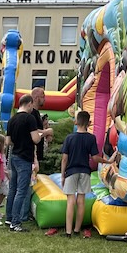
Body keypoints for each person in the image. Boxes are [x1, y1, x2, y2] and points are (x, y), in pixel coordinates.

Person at [59, 110, 108, 238]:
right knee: (81, 200)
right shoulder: (91, 138)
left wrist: (62, 175)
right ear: (89, 123)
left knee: (70, 201)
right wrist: (108, 161)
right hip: (85, 172)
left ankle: (68, 232)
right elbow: (95, 158)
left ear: (76, 122)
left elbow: (64, 159)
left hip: (71, 171)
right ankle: (77, 229)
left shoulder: (69, 138)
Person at [5, 94, 42, 232]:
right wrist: (42, 134)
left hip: (14, 156)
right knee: (22, 190)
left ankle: (9, 218)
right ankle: (15, 222)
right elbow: (35, 139)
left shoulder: (12, 119)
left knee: (12, 189)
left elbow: (8, 141)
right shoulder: (29, 118)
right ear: (29, 104)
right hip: (25, 158)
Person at [30, 87, 55, 172]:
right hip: (32, 154)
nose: (44, 99)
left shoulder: (37, 113)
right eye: (43, 97)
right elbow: (34, 131)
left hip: (38, 153)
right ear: (36, 98)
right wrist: (47, 131)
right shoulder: (31, 113)